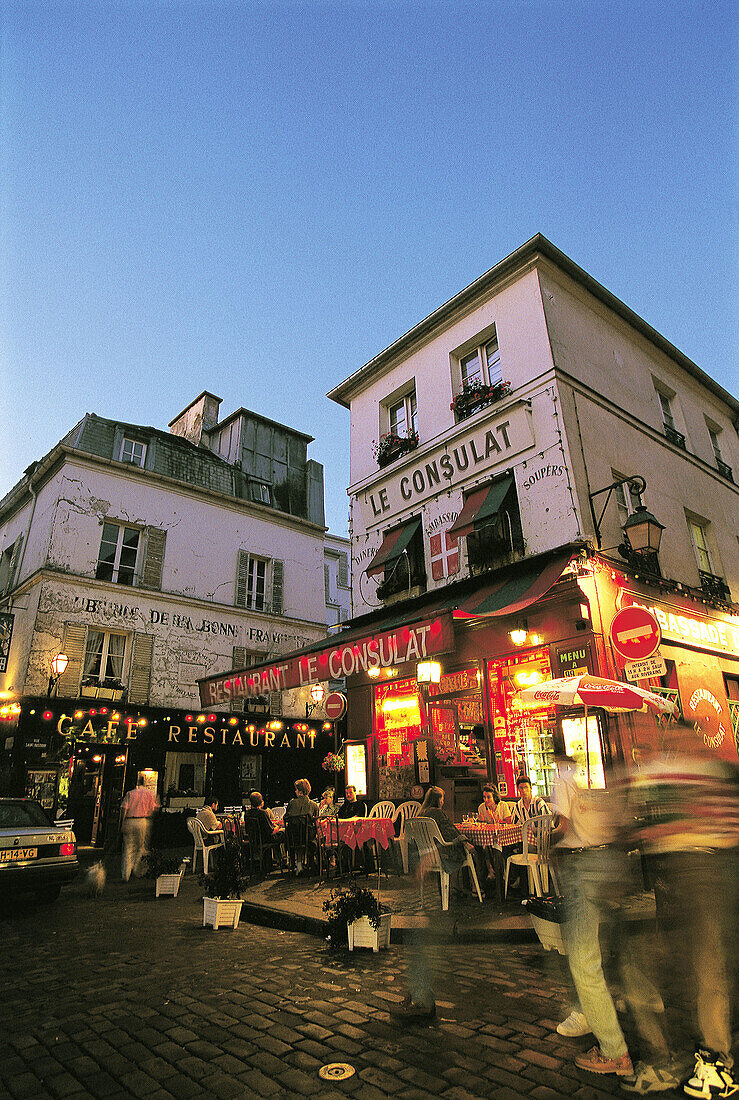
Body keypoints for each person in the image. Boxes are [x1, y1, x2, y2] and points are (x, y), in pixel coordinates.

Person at [551, 753, 634, 1078]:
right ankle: (599, 1008)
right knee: (607, 950)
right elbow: (621, 824)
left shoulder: (564, 780)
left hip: (584, 866)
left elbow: (564, 825)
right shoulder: (604, 778)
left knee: (585, 962)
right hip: (610, 863)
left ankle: (614, 1050)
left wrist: (552, 845)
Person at [119, 775, 159, 882]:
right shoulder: (148, 794)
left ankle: (126, 874)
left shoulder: (130, 794)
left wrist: (122, 823)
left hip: (130, 821)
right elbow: (154, 809)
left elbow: (124, 809)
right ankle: (137, 871)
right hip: (143, 821)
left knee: (128, 847)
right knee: (141, 847)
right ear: (144, 783)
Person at [476, 784, 512, 893]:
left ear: (494, 797)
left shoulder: (502, 806)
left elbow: (509, 822)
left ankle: (499, 878)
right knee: (480, 847)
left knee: (495, 848)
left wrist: (494, 821)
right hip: (488, 839)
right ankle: (487, 876)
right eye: (484, 797)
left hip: (504, 839)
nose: (486, 800)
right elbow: (480, 826)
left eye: (488, 797)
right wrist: (481, 822)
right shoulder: (481, 808)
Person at [285, 779, 318, 873]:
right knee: (314, 835)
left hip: (293, 838)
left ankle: (297, 863)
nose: (295, 791)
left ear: (300, 791)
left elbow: (286, 817)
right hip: (307, 838)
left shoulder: (292, 803)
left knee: (292, 832)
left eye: (296, 789)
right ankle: (311, 863)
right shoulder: (313, 805)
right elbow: (315, 821)